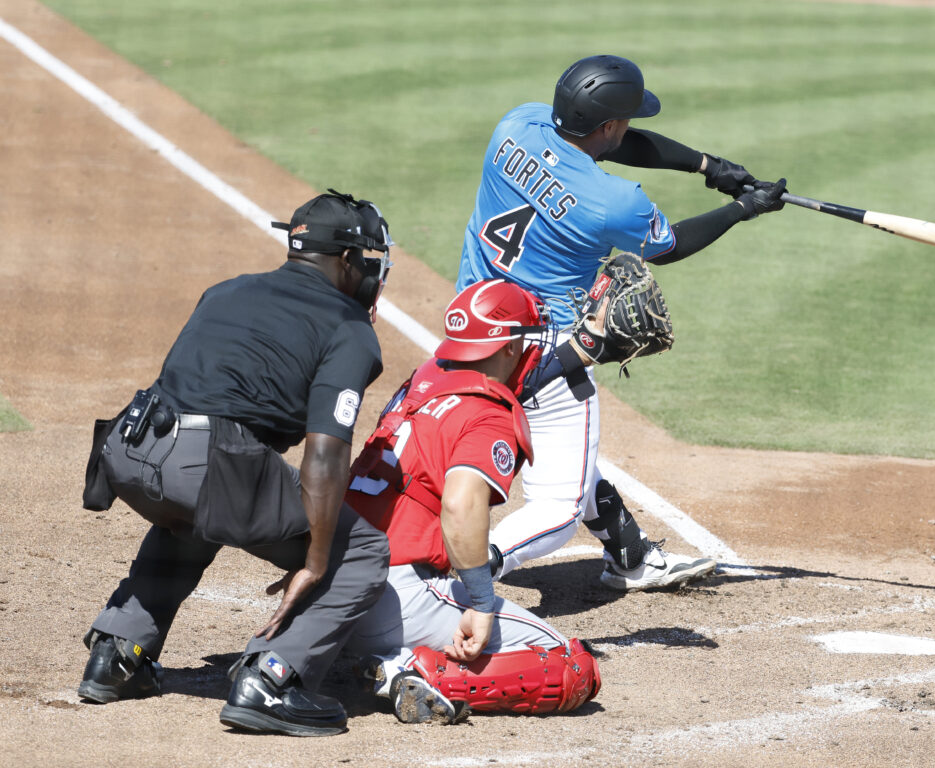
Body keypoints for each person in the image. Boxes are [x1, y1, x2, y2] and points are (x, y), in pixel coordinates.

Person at [456, 54, 787, 590]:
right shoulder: (615, 202)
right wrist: (742, 210)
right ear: (608, 124)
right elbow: (669, 246)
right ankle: (472, 569)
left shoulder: (516, 125)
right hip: (547, 352)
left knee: (572, 459)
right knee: (559, 506)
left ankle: (631, 559)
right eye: (625, 120)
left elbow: (606, 141)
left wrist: (707, 166)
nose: (629, 128)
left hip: (471, 323)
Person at [78, 190, 395, 737]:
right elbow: (325, 453)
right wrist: (315, 560)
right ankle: (273, 681)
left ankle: (117, 652)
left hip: (129, 451)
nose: (370, 272)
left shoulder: (224, 291)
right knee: (361, 549)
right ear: (346, 261)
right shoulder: (349, 328)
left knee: (204, 502)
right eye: (367, 261)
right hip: (201, 462)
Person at [344, 279, 599, 723]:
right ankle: (403, 668)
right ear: (504, 348)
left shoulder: (426, 377)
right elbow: (461, 506)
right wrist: (481, 604)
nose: (530, 349)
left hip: (331, 584)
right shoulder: (488, 414)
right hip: (393, 594)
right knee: (569, 666)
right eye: (523, 338)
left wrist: (589, 347)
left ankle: (360, 650)